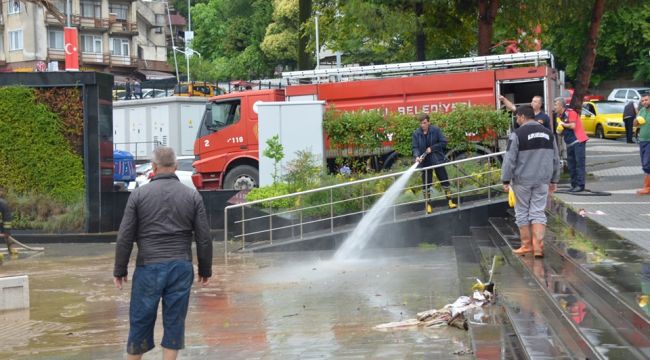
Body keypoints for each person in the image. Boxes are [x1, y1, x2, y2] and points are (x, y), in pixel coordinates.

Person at [114, 147, 213, 360]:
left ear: (154, 167)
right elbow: (204, 237)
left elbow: (125, 235)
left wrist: (119, 269)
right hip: (181, 266)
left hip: (148, 266)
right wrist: (205, 269)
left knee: (140, 320)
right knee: (174, 321)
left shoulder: (139, 195)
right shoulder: (192, 196)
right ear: (176, 167)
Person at [501, 105, 560, 258]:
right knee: (538, 212)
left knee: (522, 212)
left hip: (522, 180)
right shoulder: (549, 134)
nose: (516, 120)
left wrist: (505, 180)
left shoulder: (517, 134)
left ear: (521, 116)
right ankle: (539, 247)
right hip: (542, 180)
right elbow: (556, 159)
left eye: (517, 117)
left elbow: (509, 159)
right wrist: (554, 179)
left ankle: (526, 246)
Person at [412, 113, 457, 212]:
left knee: (444, 180)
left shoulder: (435, 130)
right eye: (421, 123)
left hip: (437, 160)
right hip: (425, 162)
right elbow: (415, 148)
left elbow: (443, 142)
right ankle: (428, 205)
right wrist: (417, 156)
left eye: (424, 123)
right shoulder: (416, 133)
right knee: (426, 184)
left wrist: (432, 148)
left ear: (429, 122)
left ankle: (450, 201)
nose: (422, 125)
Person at [554, 97, 588, 192]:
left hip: (578, 141)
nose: (554, 107)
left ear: (561, 105)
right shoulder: (559, 116)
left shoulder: (570, 112)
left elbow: (573, 125)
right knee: (571, 165)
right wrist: (559, 131)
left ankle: (580, 185)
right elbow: (562, 130)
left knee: (579, 164)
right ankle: (573, 185)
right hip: (569, 143)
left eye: (556, 105)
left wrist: (562, 124)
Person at [635, 93, 650, 195]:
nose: (644, 102)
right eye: (643, 101)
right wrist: (637, 121)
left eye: (646, 100)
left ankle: (647, 187)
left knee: (647, 163)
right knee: (644, 163)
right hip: (643, 140)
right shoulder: (642, 111)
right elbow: (635, 124)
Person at [0, 186, 13, 253]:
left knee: (7, 237)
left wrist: (7, 231)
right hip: (3, 222)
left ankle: (10, 249)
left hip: (4, 222)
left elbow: (7, 218)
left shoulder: (3, 203)